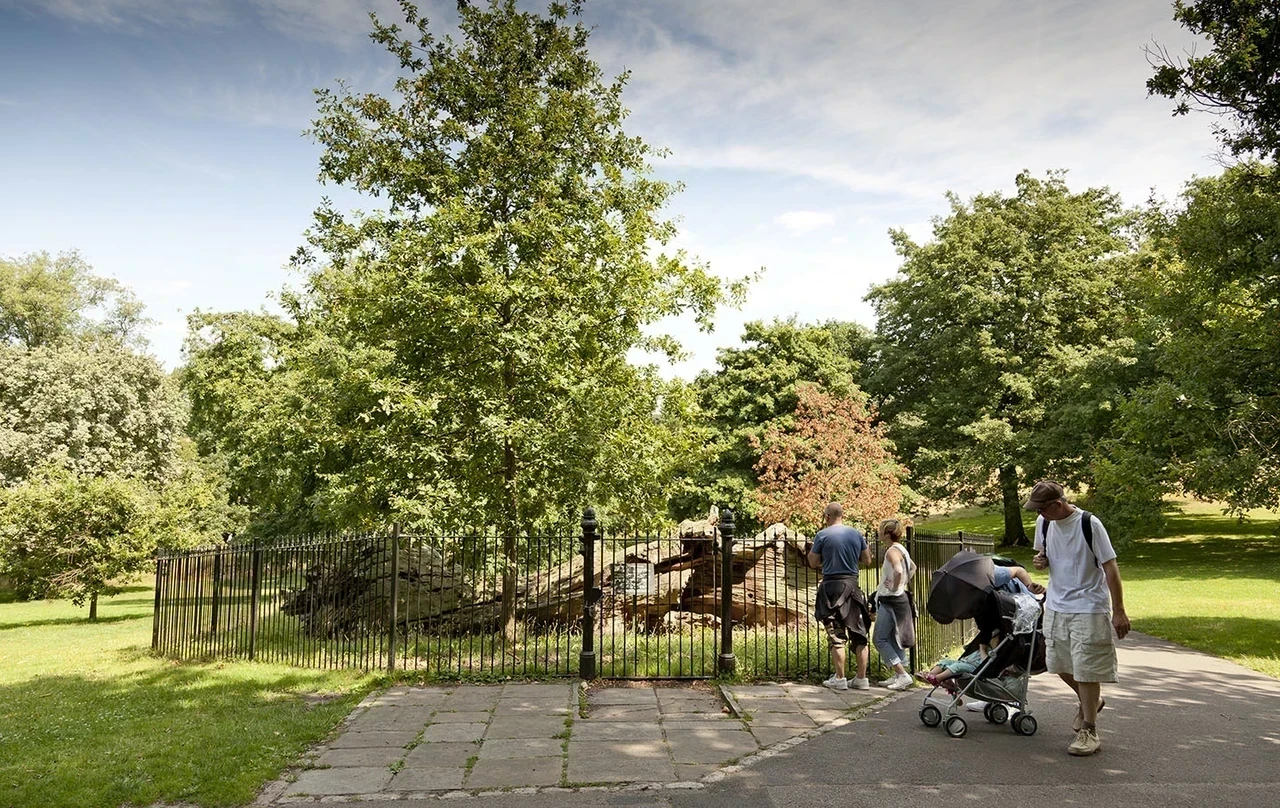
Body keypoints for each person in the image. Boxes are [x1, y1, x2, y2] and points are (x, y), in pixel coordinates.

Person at [1026, 480, 1130, 757]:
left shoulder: (1089, 524)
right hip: (1058, 605)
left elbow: (1110, 567)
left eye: (1042, 510)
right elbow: (1044, 555)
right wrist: (1041, 561)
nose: (1039, 515)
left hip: (1089, 606)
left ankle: (1089, 730)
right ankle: (1091, 702)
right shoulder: (1045, 524)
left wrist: (1119, 610)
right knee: (1058, 664)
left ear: (1057, 505)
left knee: (1086, 669)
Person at [808, 502, 873, 690]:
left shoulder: (822, 535)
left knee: (836, 635)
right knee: (859, 634)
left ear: (827, 516)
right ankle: (861, 679)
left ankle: (840, 678)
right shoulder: (856, 534)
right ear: (842, 515)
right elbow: (867, 559)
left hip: (831, 588)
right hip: (852, 586)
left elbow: (812, 562)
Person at [872, 519, 916, 690]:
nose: (878, 533)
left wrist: (896, 586)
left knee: (879, 639)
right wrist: (903, 583)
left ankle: (903, 674)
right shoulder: (901, 548)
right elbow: (913, 568)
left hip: (890, 600)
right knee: (891, 637)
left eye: (881, 530)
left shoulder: (892, 551)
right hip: (898, 599)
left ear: (887, 533)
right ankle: (899, 675)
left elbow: (898, 570)